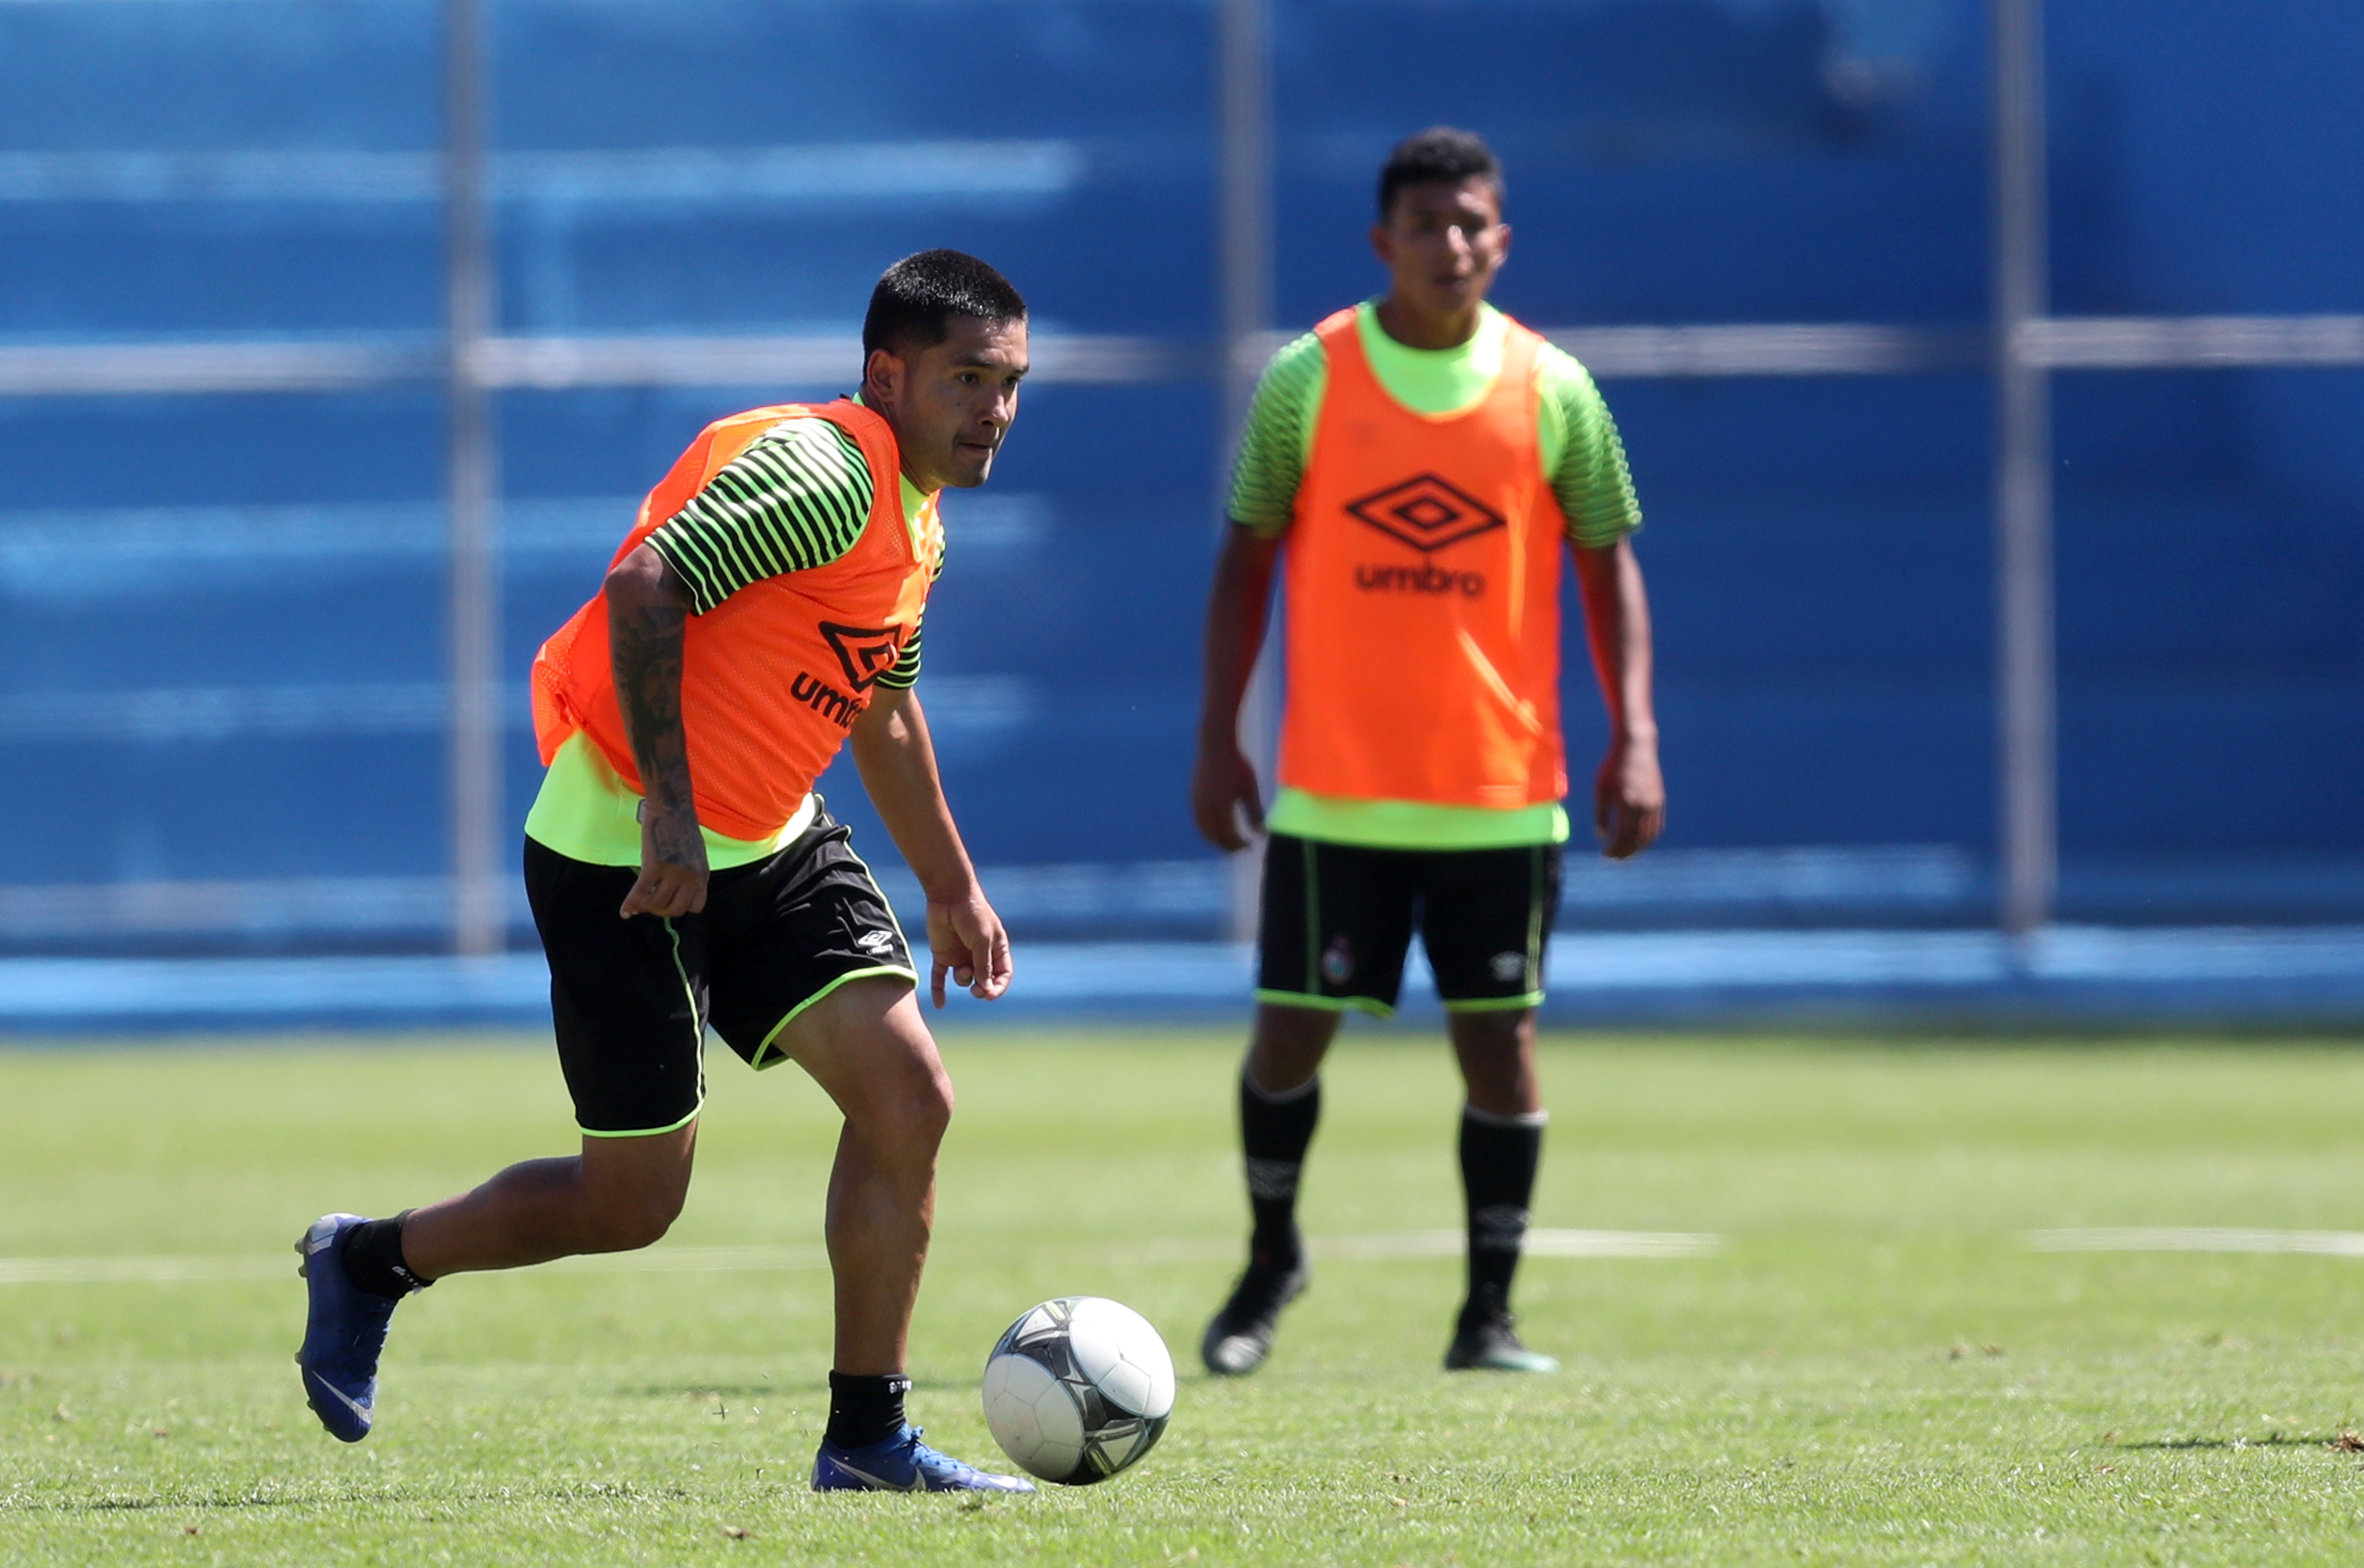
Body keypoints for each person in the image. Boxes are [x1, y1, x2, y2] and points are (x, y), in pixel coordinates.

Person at [295, 249, 1037, 1494]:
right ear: (885, 375)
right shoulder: (819, 472)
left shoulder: (917, 517)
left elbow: (885, 712)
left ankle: (866, 1441)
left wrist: (952, 887)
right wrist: (674, 818)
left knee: (909, 1097)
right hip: (626, 850)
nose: (994, 409)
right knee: (632, 1204)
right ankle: (372, 1260)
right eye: (968, 378)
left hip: (773, 840)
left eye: (1012, 383)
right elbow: (645, 584)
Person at [1193, 129, 1665, 1377]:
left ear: (1501, 239)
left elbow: (1606, 554)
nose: (1450, 245)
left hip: (1499, 795)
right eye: (1426, 225)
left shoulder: (1554, 386)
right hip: (1334, 791)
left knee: (1498, 1044)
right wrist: (1218, 739)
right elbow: (1245, 554)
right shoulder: (1308, 378)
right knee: (1288, 1035)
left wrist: (1636, 738)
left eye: (1472, 224)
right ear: (1380, 242)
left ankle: (1486, 1315)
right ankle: (1268, 1259)